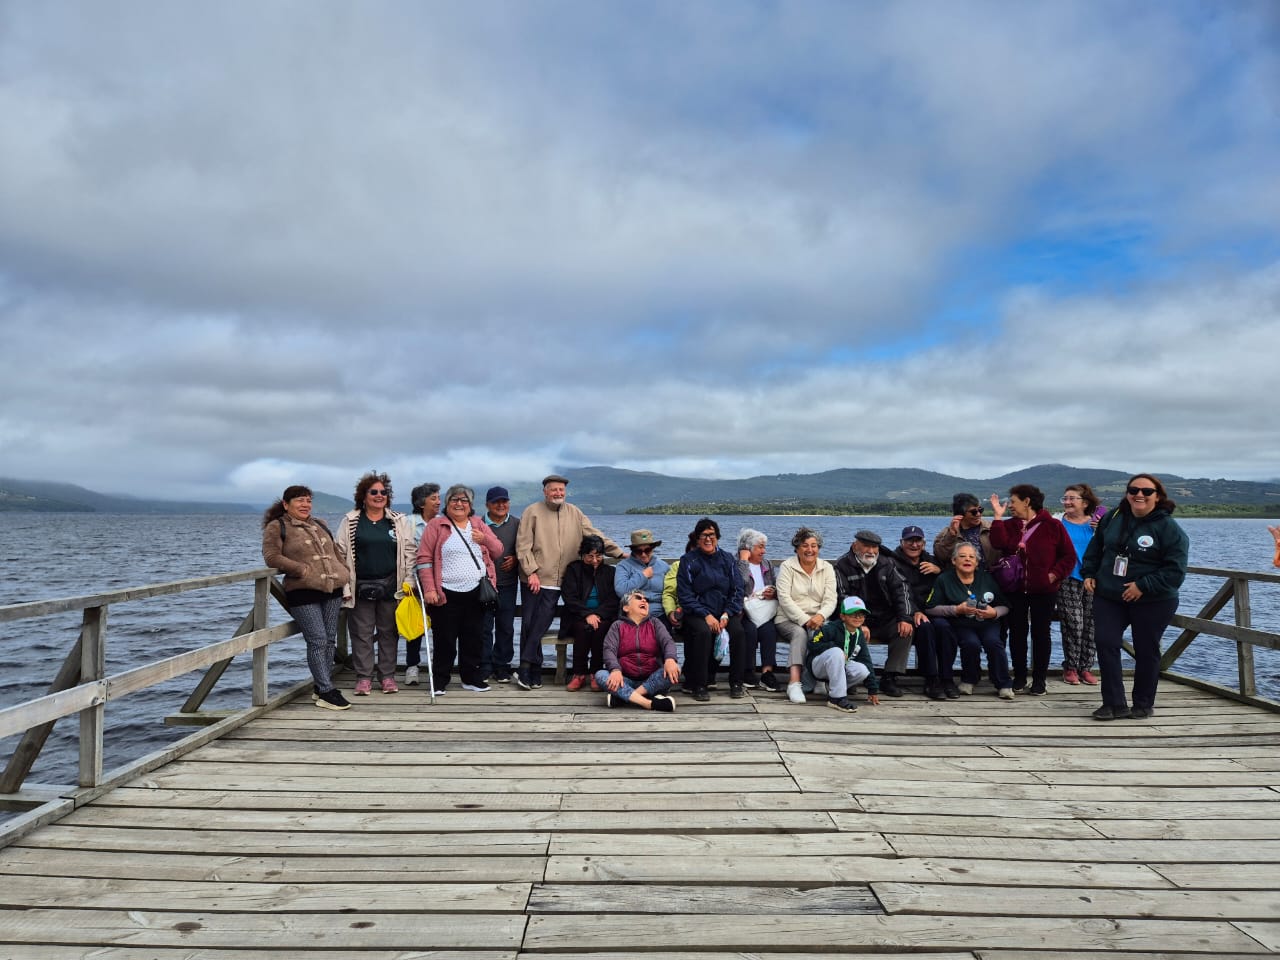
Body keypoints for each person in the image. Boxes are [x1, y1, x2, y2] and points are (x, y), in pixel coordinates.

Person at [1083, 473, 1189, 721]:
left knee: (1146, 650)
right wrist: (1089, 572)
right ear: (1127, 493)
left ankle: (1142, 703)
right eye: (1133, 490)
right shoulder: (1114, 517)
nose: (1139, 494)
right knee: (1106, 642)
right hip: (1110, 594)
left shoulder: (1169, 528)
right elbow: (1096, 547)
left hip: (1153, 600)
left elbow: (1175, 571)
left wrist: (1144, 585)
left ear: (1158, 496)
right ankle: (1113, 703)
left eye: (1146, 491)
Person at [514, 474, 622, 690]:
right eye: (554, 490)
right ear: (545, 491)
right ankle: (532, 670)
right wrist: (531, 571)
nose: (558, 493)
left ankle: (526, 668)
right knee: (528, 624)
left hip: (560, 582)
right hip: (535, 580)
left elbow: (595, 536)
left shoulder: (575, 513)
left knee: (539, 625)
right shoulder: (532, 512)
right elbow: (523, 545)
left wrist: (619, 553)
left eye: (561, 490)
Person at [261, 485, 352, 710]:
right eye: (300, 500)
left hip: (332, 589)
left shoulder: (319, 524)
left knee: (330, 638)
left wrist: (343, 572)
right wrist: (300, 569)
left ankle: (322, 686)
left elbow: (335, 552)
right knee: (317, 639)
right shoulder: (277, 526)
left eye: (308, 500)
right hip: (302, 591)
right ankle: (326, 690)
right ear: (286, 504)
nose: (305, 505)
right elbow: (271, 557)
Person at [988, 485, 1077, 696]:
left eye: (1013, 502)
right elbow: (998, 542)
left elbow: (1069, 557)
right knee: (1017, 634)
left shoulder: (1053, 525)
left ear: (1027, 501)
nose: (1010, 506)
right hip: (1015, 589)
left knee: (1041, 634)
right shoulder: (1009, 525)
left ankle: (1039, 680)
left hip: (1044, 590)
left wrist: (1053, 575)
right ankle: (1019, 677)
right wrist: (998, 518)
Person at [416, 484, 504, 694]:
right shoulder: (436, 525)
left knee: (473, 638)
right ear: (447, 504)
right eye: (454, 500)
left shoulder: (478, 524)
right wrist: (429, 588)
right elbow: (424, 559)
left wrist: (486, 539)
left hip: (476, 592)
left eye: (464, 500)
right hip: (445, 592)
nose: (459, 504)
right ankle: (439, 680)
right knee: (444, 639)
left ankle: (471, 678)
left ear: (470, 505)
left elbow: (498, 550)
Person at [339, 472, 416, 696]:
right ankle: (364, 677)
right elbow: (340, 554)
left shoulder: (398, 520)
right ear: (363, 496)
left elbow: (410, 552)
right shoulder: (351, 520)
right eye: (374, 492)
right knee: (361, 633)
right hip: (360, 586)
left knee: (389, 633)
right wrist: (344, 587)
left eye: (383, 492)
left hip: (392, 587)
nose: (379, 495)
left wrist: (409, 581)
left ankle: (388, 676)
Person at [832, 530, 928, 698]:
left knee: (905, 629)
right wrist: (859, 622)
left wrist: (904, 618)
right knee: (846, 630)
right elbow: (842, 597)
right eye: (866, 546)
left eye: (874, 547)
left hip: (884, 618)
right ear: (855, 546)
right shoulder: (842, 565)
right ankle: (850, 678)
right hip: (856, 619)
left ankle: (890, 676)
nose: (871, 551)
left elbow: (902, 590)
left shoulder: (887, 563)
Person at [924, 542, 1014, 699]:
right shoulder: (944, 579)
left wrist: (994, 613)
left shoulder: (986, 578)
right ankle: (969, 679)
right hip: (961, 624)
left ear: (977, 562)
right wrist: (956, 610)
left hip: (988, 623)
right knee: (970, 643)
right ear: (954, 561)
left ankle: (1003, 684)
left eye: (972, 557)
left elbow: (1005, 605)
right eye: (962, 556)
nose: (967, 560)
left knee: (993, 642)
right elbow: (930, 608)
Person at [676, 518, 748, 701]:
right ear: (697, 539)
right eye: (704, 535)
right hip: (697, 612)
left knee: (738, 632)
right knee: (703, 633)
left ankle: (737, 682)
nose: (708, 539)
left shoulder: (728, 559)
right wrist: (706, 615)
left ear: (717, 537)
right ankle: (700, 684)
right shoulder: (688, 561)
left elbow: (737, 589)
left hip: (724, 611)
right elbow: (685, 595)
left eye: (712, 535)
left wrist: (726, 614)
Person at [892, 525, 958, 699]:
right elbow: (894, 593)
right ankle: (931, 679)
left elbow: (952, 581)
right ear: (901, 542)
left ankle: (947, 678)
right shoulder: (891, 562)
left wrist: (940, 572)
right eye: (909, 541)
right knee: (925, 628)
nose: (914, 545)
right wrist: (913, 612)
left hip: (933, 611)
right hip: (905, 613)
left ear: (923, 543)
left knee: (944, 628)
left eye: (918, 541)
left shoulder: (932, 560)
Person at [773, 526, 837, 704]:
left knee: (827, 632)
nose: (810, 550)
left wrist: (821, 616)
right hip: (788, 618)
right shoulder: (787, 567)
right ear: (797, 548)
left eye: (814, 545)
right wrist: (804, 619)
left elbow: (831, 599)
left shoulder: (827, 568)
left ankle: (819, 679)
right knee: (800, 633)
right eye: (805, 545)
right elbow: (784, 598)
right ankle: (794, 683)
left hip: (818, 618)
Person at [596, 591, 680, 711]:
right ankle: (649, 703)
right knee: (601, 675)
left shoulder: (655, 623)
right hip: (625, 679)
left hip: (651, 680)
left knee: (676, 668)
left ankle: (626, 696)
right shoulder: (617, 626)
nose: (644, 600)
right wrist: (615, 670)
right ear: (626, 607)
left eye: (646, 599)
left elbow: (668, 642)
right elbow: (609, 650)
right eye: (638, 598)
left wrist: (670, 659)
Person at [1056, 484, 1105, 685]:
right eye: (1065, 498)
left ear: (1085, 503)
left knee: (1091, 626)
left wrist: (1102, 531)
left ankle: (1085, 668)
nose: (1067, 502)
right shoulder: (1058, 522)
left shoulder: (1097, 524)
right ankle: (1070, 667)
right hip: (1067, 578)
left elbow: (1113, 547)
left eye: (1072, 498)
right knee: (1074, 624)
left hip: (1093, 579)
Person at [561, 535, 621, 690]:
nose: (595, 560)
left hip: (603, 616)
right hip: (577, 615)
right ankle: (579, 673)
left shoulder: (609, 572)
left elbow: (613, 599)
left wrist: (598, 615)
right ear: (583, 555)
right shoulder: (574, 569)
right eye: (590, 556)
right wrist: (587, 614)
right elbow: (569, 596)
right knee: (582, 629)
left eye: (599, 556)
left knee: (600, 628)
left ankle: (596, 672)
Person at [805, 595, 883, 712]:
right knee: (837, 652)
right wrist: (833, 647)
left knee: (862, 670)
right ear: (842, 616)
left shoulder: (859, 633)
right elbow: (812, 643)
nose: (858, 617)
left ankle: (833, 689)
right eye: (853, 614)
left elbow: (866, 659)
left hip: (839, 666)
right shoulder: (830, 628)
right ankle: (836, 698)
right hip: (818, 667)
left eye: (861, 614)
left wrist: (873, 689)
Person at [402, 482, 441, 685]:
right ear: (421, 502)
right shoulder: (407, 523)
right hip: (415, 584)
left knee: (441, 627)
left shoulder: (444, 523)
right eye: (433, 498)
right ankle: (412, 666)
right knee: (415, 626)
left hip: (441, 585)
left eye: (438, 497)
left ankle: (438, 666)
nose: (438, 502)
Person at [482, 486, 520, 684]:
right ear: (487, 504)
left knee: (506, 627)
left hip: (508, 584)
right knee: (484, 627)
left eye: (504, 501)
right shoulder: (478, 524)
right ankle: (485, 666)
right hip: (483, 585)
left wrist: (516, 558)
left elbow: (525, 548)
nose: (500, 505)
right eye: (496, 502)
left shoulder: (517, 524)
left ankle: (502, 666)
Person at [737, 528, 782, 692]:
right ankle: (748, 670)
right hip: (744, 611)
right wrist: (743, 562)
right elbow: (739, 585)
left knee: (769, 631)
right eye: (760, 547)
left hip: (764, 610)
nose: (764, 551)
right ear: (747, 549)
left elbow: (775, 585)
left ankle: (767, 673)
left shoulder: (767, 564)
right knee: (749, 631)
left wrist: (773, 592)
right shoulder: (736, 562)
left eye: (764, 547)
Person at [613, 529, 670, 617]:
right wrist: (643, 576)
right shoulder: (623, 566)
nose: (643, 554)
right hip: (634, 615)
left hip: (660, 613)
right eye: (639, 551)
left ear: (653, 549)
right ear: (633, 551)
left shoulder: (663, 566)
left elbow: (671, 591)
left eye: (647, 550)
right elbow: (621, 591)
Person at [934, 493, 998, 569]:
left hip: (990, 577)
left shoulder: (992, 528)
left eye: (980, 510)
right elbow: (940, 556)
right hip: (961, 578)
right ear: (960, 514)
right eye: (973, 512)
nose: (978, 514)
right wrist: (951, 536)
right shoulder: (946, 533)